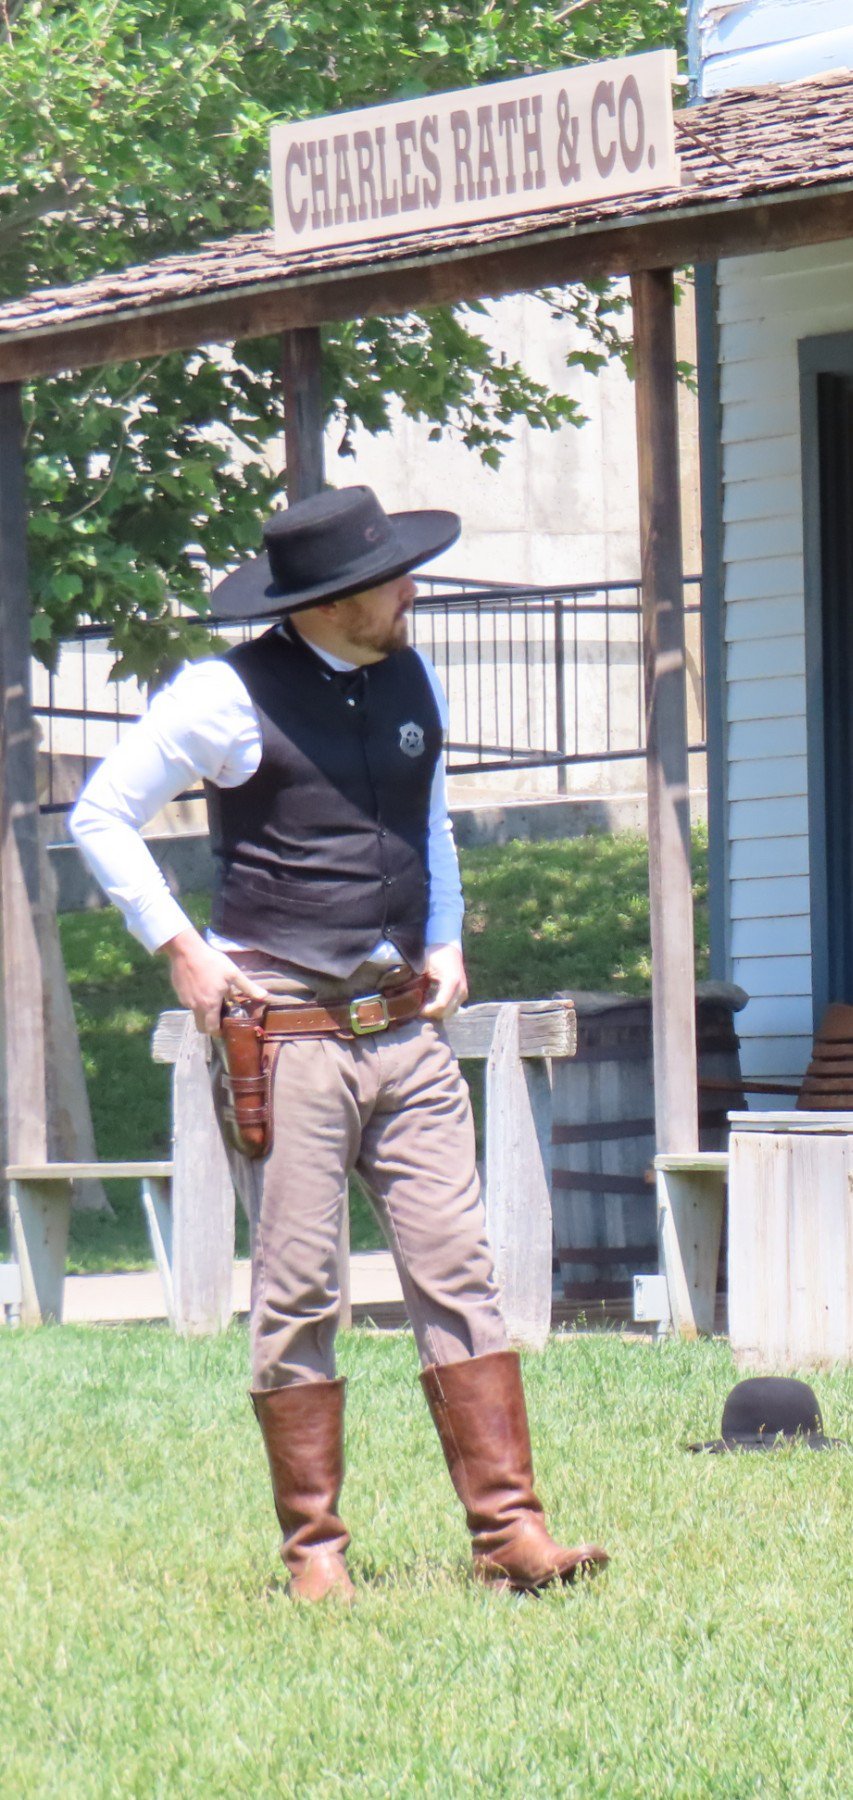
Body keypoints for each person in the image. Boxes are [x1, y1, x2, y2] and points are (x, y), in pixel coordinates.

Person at [70, 486, 607, 1600]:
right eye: (394, 578)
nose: (414, 590)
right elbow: (100, 813)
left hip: (405, 1030)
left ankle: (512, 1539)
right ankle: (315, 1559)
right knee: (302, 1290)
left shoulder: (415, 673)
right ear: (333, 598)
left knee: (460, 1272)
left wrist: (449, 938)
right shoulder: (223, 698)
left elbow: (429, 819)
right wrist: (179, 946)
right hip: (288, 1034)